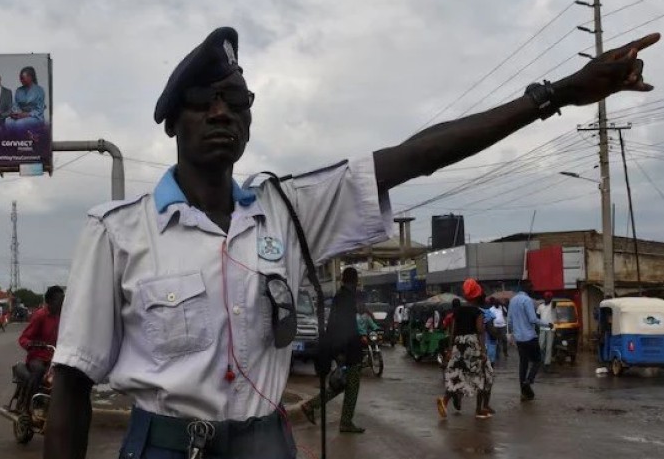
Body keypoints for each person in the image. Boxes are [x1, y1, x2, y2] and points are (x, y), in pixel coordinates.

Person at [46, 27, 658, 459]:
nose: (222, 113)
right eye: (204, 102)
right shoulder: (117, 231)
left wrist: (554, 96)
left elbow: (415, 155)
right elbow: (72, 382)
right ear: (172, 122)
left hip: (267, 442)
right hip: (164, 447)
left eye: (236, 101)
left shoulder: (287, 211)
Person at [302, 268, 366, 433]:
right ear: (355, 280)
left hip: (342, 348)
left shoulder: (341, 296)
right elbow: (345, 326)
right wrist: (343, 352)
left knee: (340, 384)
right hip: (349, 350)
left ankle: (311, 405)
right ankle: (345, 422)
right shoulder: (346, 298)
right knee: (351, 386)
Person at [437, 278, 494, 420]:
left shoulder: (457, 312)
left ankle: (444, 401)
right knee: (484, 374)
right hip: (472, 344)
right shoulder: (478, 312)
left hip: (458, 344)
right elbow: (480, 331)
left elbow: (452, 331)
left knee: (457, 374)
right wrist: (483, 351)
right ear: (478, 295)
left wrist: (450, 350)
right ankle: (479, 409)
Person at [17, 286, 63, 415]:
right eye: (59, 300)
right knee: (39, 371)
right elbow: (23, 338)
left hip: (53, 358)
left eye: (63, 300)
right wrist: (32, 344)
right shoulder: (40, 316)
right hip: (37, 357)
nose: (61, 303)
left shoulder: (60, 317)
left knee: (64, 375)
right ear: (50, 301)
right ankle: (28, 407)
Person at [508, 285, 553, 401]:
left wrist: (511, 335)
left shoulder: (512, 301)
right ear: (527, 290)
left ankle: (523, 393)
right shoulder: (527, 300)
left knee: (523, 364)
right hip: (530, 337)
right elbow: (533, 319)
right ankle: (529, 380)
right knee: (537, 360)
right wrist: (547, 324)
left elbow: (510, 320)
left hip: (519, 339)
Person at [5, 66, 45, 134]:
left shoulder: (39, 90)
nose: (21, 80)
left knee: (19, 123)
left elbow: (39, 110)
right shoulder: (19, 90)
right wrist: (16, 113)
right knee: (8, 121)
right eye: (20, 78)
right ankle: (13, 139)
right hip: (21, 115)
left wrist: (26, 114)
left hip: (35, 117)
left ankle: (23, 139)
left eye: (22, 78)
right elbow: (15, 105)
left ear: (30, 77)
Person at [536, 292, 558, 370]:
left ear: (551, 298)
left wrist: (553, 302)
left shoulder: (553, 305)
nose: (548, 298)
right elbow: (537, 316)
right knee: (541, 346)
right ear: (544, 298)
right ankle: (542, 359)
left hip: (551, 329)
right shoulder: (540, 306)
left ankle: (547, 363)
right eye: (546, 297)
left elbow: (554, 304)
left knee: (549, 347)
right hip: (542, 328)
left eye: (549, 297)